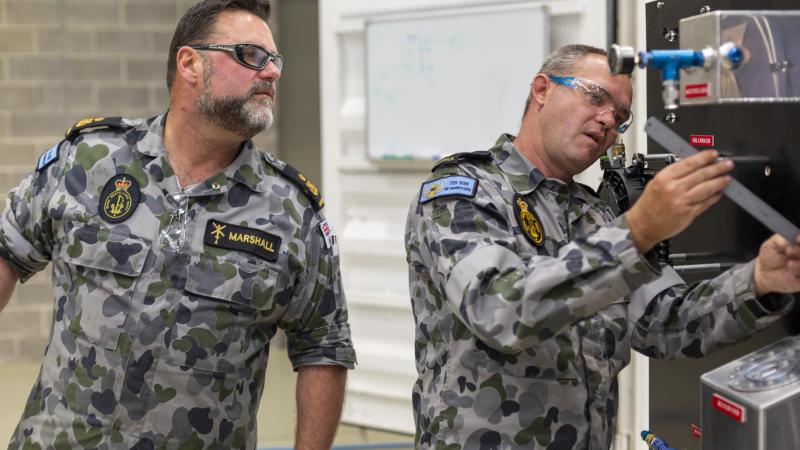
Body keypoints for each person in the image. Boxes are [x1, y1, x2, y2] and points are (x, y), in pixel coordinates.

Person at [404, 44, 800, 450]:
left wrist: (760, 281)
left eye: (621, 117)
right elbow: (500, 310)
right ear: (542, 89)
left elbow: (669, 324)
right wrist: (638, 230)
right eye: (595, 97)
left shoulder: (597, 215)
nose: (609, 120)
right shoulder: (463, 194)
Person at [0, 1, 356, 448]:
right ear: (190, 64)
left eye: (274, 60)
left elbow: (323, 349)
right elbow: (8, 252)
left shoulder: (292, 212)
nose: (271, 72)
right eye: (251, 55)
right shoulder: (89, 161)